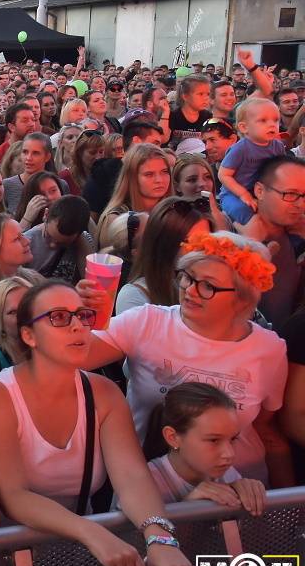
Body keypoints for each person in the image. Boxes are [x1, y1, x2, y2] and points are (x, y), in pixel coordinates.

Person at [0, 282, 193, 566]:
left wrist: (159, 537)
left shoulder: (104, 393)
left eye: (83, 315)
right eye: (59, 317)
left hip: (76, 558)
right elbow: (13, 495)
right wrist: (91, 532)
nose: (78, 325)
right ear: (29, 336)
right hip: (8, 557)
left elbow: (131, 477)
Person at [81, 231, 290, 485]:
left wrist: (289, 501)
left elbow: (265, 427)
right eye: (188, 277)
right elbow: (71, 357)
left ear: (242, 298)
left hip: (242, 489)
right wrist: (77, 313)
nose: (190, 290)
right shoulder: (146, 322)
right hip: (151, 486)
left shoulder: (269, 349)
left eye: (208, 286)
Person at [144, 383, 266, 513]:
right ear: (173, 437)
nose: (229, 454)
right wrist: (188, 510)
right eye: (213, 440)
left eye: (233, 439)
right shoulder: (146, 484)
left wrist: (245, 498)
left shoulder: (228, 474)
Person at [240, 155, 305, 332]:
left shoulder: (298, 238)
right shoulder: (231, 236)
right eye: (290, 194)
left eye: (304, 196)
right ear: (260, 191)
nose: (300, 204)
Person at [115, 197, 212, 313]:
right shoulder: (134, 295)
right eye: (189, 241)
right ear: (164, 243)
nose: (200, 248)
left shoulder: (214, 286)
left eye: (206, 239)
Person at [217, 97, 287, 224]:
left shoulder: (278, 146)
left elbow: (281, 171)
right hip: (234, 194)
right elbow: (223, 175)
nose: (272, 124)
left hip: (263, 194)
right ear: (244, 127)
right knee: (246, 213)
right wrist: (243, 194)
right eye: (263, 120)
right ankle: (234, 227)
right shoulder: (241, 149)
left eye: (276, 120)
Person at [1, 133, 54, 216]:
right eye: (25, 152)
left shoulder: (59, 185)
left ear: (47, 157)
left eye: (35, 153)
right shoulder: (7, 185)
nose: (28, 158)